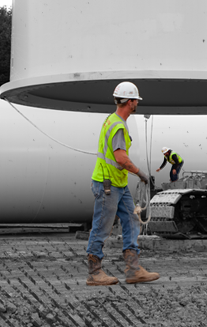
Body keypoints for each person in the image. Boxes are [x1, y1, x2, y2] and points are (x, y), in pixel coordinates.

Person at [86, 81, 159, 286]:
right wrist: (141, 174)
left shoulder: (113, 120)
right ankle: (94, 272)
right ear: (130, 102)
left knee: (132, 219)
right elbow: (120, 158)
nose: (137, 103)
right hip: (107, 184)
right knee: (102, 226)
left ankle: (133, 269)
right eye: (136, 100)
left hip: (117, 184)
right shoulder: (118, 125)